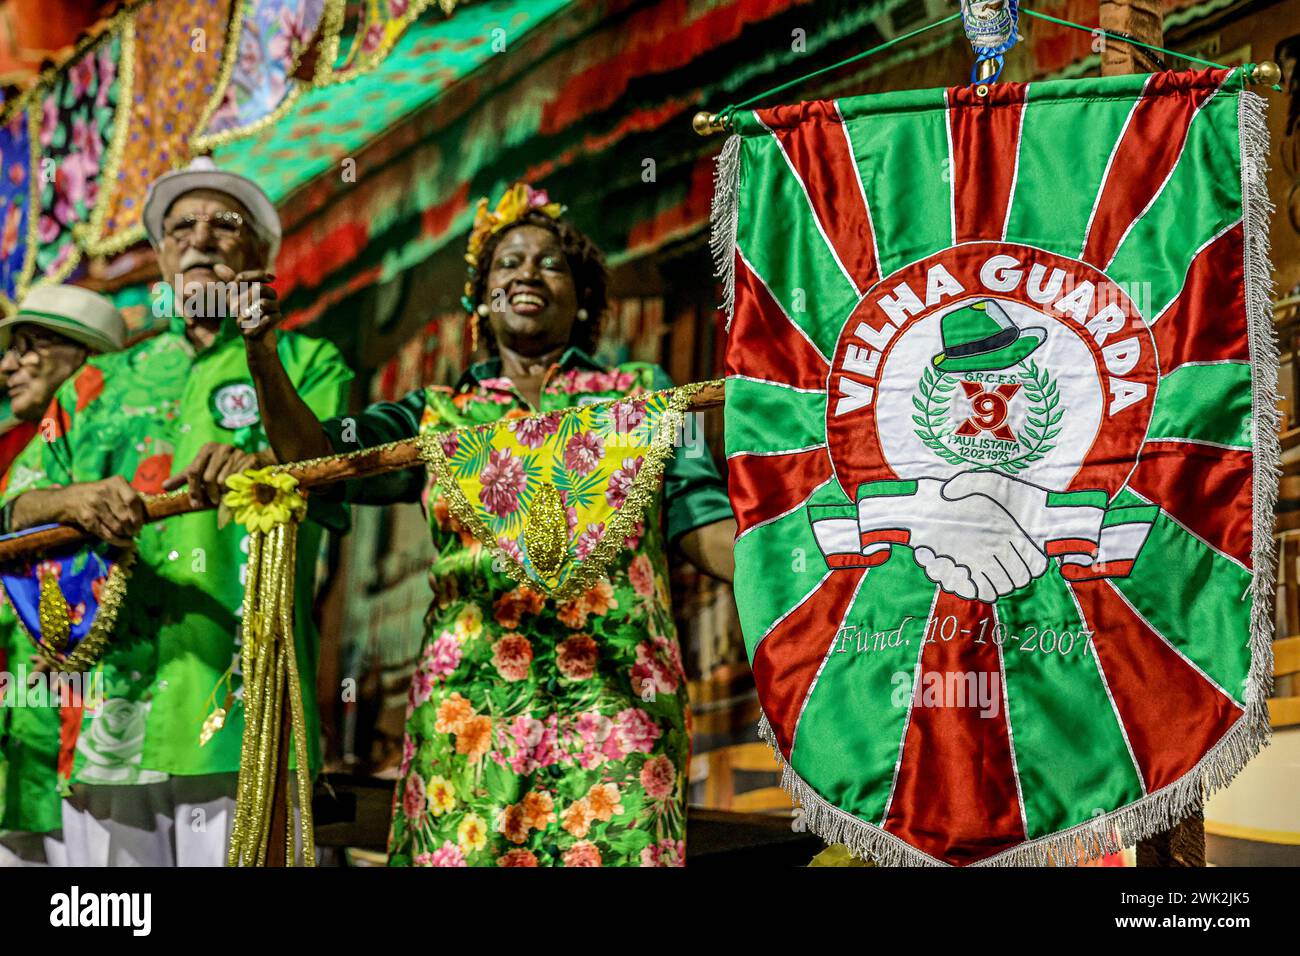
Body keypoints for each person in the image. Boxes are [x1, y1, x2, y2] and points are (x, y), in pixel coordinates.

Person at [220, 182, 736, 866]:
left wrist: (805, 565)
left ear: (582, 297)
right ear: (480, 300)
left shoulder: (645, 395)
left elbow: (703, 525)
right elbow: (312, 457)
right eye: (508, 263)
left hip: (619, 702)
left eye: (550, 263)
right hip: (469, 712)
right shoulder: (434, 414)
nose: (527, 272)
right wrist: (261, 352)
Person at [0, 158, 353, 866]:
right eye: (181, 227)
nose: (203, 239)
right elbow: (14, 507)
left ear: (258, 255)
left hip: (239, 712)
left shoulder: (308, 361)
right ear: (161, 258)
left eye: (226, 225)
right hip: (105, 720)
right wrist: (76, 499)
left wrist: (261, 362)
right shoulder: (102, 380)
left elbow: (317, 470)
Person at [0, 284, 126, 866]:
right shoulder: (26, 454)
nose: (6, 365)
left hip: (102, 711)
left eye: (28, 347)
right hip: (27, 723)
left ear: (85, 356)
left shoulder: (122, 433)